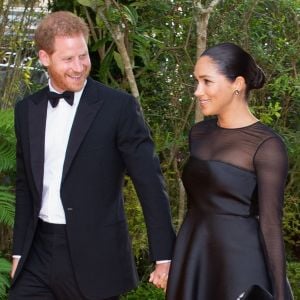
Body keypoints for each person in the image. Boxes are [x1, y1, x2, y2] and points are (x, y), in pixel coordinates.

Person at [9, 11, 175, 300]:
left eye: (83, 56)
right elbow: (25, 186)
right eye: (68, 59)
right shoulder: (27, 110)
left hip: (95, 257)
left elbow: (149, 182)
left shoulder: (118, 108)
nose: (79, 67)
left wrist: (165, 255)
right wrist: (19, 251)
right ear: (44, 58)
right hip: (37, 253)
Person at [165, 42, 293, 300]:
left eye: (206, 81)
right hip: (195, 254)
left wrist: (280, 294)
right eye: (196, 81)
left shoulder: (267, 146)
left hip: (240, 266)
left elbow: (270, 226)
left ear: (237, 84)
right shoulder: (199, 133)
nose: (197, 91)